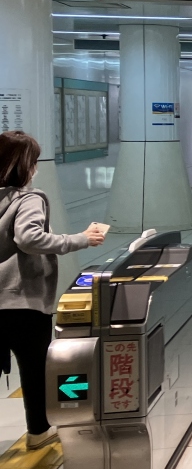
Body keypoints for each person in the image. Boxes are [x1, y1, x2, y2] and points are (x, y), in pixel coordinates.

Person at [0, 131, 106, 450]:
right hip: (22, 301)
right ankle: (38, 432)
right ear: (25, 165)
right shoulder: (28, 198)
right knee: (34, 370)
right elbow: (29, 238)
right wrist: (80, 239)